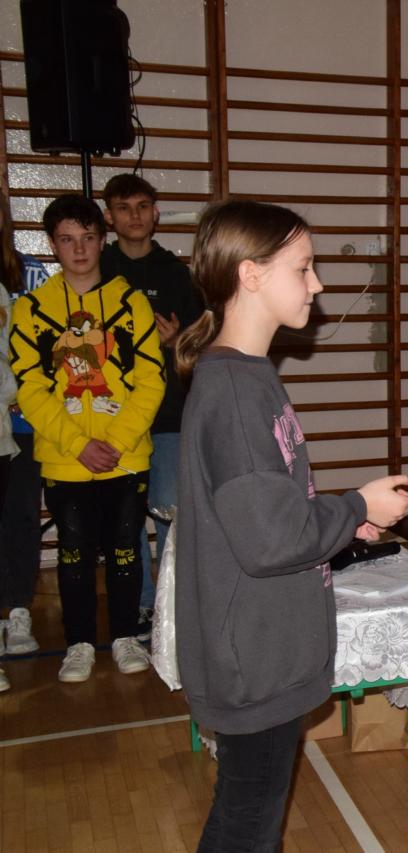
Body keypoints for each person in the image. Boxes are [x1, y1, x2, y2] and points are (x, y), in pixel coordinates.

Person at [172, 200, 408, 851]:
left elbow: (269, 511)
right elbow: (270, 540)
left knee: (250, 819)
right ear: (250, 274)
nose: (318, 284)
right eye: (303, 267)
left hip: (267, 648)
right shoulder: (233, 392)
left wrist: (339, 525)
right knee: (247, 825)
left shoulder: (249, 376)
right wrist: (357, 507)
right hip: (255, 659)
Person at [9, 193, 166, 683]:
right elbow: (30, 389)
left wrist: (115, 442)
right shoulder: (31, 309)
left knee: (125, 550)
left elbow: (151, 381)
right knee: (73, 555)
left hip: (125, 455)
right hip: (65, 458)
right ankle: (78, 644)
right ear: (52, 244)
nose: (78, 249)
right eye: (66, 239)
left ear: (102, 240)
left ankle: (124, 637)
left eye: (88, 237)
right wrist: (78, 444)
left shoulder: (132, 303)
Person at [100, 173, 202, 641]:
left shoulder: (176, 273)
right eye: (124, 208)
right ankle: (140, 605)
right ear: (109, 217)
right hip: (113, 417)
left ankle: (173, 606)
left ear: (155, 213)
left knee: (171, 515)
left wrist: (177, 340)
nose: (135, 216)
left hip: (169, 416)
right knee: (126, 523)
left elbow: (204, 344)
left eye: (143, 206)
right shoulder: (97, 269)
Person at [1, 189, 49, 684]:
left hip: (22, 422)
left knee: (19, 518)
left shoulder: (28, 272)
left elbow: (55, 344)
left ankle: (17, 610)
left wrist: (24, 392)